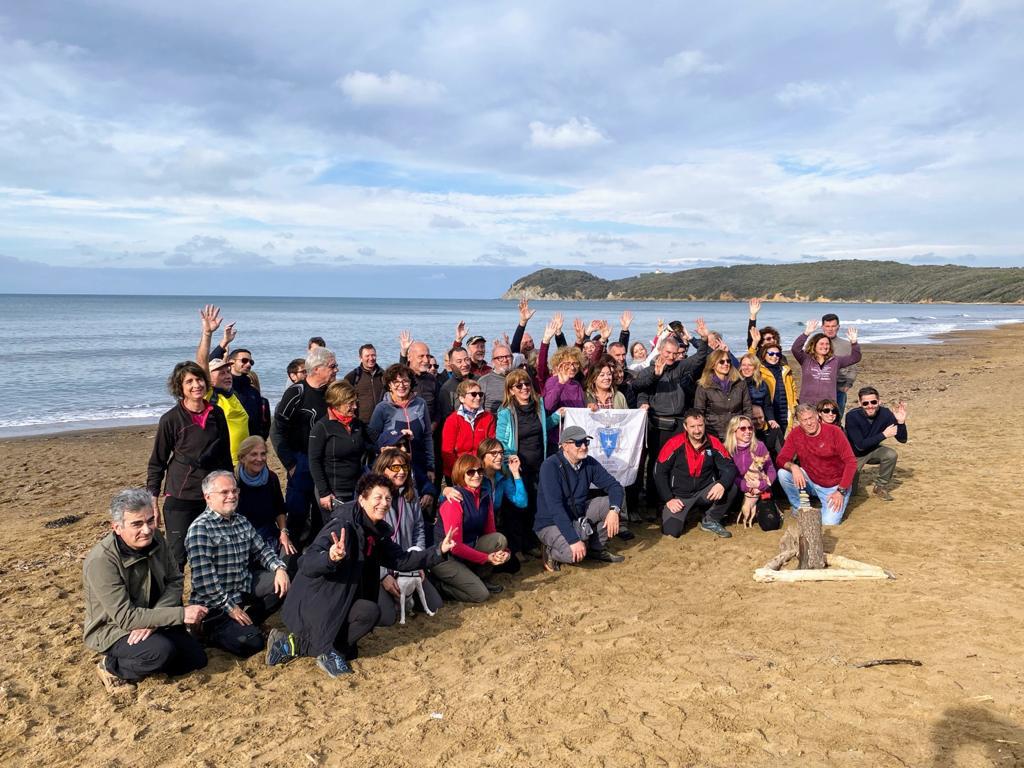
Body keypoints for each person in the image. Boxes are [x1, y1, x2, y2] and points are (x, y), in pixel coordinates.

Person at [267, 474, 457, 677]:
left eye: (388, 499)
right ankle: (296, 646)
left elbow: (401, 560)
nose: (384, 503)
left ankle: (318, 648)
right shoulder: (342, 524)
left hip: (344, 598)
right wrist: (330, 557)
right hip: (319, 600)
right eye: (378, 498)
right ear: (362, 499)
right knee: (344, 645)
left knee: (369, 613)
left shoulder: (374, 531)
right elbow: (308, 561)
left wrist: (438, 550)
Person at [84, 488, 208, 692]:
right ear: (116, 527)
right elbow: (125, 618)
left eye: (150, 521)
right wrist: (180, 614)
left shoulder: (157, 538)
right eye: (137, 524)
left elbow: (175, 580)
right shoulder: (102, 561)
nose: (147, 529)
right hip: (114, 629)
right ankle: (112, 667)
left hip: (152, 617)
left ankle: (151, 654)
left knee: (196, 659)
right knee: (160, 652)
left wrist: (155, 619)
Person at [185, 471, 290, 658]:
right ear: (208, 497)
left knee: (283, 582)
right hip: (215, 604)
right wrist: (230, 608)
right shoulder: (200, 529)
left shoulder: (241, 521)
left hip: (242, 588)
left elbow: (262, 550)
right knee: (252, 643)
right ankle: (208, 632)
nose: (232, 496)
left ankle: (251, 622)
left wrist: (279, 568)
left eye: (234, 491)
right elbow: (205, 583)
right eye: (224, 492)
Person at [147, 360, 233, 572]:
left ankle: (208, 602)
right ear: (180, 388)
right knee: (178, 557)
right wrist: (153, 502)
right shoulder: (170, 419)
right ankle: (174, 604)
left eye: (199, 379)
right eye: (189, 381)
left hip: (211, 497)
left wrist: (231, 489)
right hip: (180, 496)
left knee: (212, 554)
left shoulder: (217, 413)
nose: (196, 385)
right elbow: (157, 461)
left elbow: (225, 457)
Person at [632, 319, 711, 510]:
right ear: (660, 350)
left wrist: (701, 338)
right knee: (657, 465)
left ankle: (671, 500)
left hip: (678, 423)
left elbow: (701, 356)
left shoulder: (679, 368)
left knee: (677, 463)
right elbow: (638, 386)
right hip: (658, 425)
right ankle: (652, 503)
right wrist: (656, 375)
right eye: (667, 352)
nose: (671, 356)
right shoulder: (650, 370)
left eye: (674, 354)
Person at [534, 426, 625, 571]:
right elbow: (555, 509)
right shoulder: (549, 466)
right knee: (574, 555)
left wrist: (614, 510)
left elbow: (615, 486)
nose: (583, 447)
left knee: (612, 503)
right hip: (550, 523)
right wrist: (573, 540)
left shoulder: (589, 462)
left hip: (577, 514)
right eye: (578, 443)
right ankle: (549, 551)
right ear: (564, 446)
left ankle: (597, 548)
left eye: (585, 442)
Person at [272, 345, 337, 546]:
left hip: (325, 461)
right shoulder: (297, 392)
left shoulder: (330, 393)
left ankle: (317, 551)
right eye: (332, 366)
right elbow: (278, 429)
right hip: (301, 460)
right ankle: (292, 557)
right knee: (298, 511)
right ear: (317, 368)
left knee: (323, 510)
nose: (336, 370)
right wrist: (290, 463)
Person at [371, 450, 444, 626]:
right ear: (383, 469)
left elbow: (419, 529)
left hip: (406, 564)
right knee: (386, 618)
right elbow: (370, 544)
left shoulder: (411, 495)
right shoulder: (373, 500)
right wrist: (382, 576)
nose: (401, 471)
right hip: (380, 569)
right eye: (395, 467)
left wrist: (417, 561)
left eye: (404, 466)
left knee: (435, 605)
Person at [495, 369, 559, 556]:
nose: (524, 388)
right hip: (517, 468)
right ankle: (516, 547)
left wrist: (557, 416)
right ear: (511, 390)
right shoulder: (506, 412)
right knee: (515, 508)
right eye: (518, 385)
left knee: (534, 506)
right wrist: (510, 458)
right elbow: (500, 440)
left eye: (527, 384)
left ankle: (530, 544)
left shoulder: (538, 404)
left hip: (539, 465)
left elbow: (543, 427)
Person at [432, 454, 512, 600]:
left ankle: (480, 578)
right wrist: (487, 557)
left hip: (468, 547)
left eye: (480, 471)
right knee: (480, 594)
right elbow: (454, 546)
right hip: (445, 557)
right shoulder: (454, 499)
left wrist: (504, 552)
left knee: (498, 540)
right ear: (461, 473)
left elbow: (491, 531)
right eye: (470, 472)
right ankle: (440, 586)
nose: (476, 475)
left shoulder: (484, 496)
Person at [653, 410, 738, 539]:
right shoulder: (674, 443)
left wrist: (722, 484)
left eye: (700, 425)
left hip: (705, 492)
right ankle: (687, 513)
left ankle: (710, 519)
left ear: (704, 425)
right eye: (692, 426)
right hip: (680, 497)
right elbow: (659, 472)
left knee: (731, 486)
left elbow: (729, 467)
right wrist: (669, 499)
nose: (697, 430)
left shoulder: (713, 442)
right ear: (685, 427)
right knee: (671, 531)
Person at [775, 404, 858, 525]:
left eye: (811, 418)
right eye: (804, 420)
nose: (809, 423)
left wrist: (841, 491)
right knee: (783, 474)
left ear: (818, 416)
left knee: (828, 522)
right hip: (811, 479)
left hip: (834, 485)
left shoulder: (834, 432)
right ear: (798, 421)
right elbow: (781, 459)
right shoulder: (795, 434)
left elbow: (851, 462)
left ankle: (830, 503)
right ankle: (799, 507)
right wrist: (793, 466)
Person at [368, 364, 435, 495]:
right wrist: (381, 450)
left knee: (424, 503)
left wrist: (430, 466)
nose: (401, 385)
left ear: (411, 383)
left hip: (419, 466)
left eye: (405, 381)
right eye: (396, 382)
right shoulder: (382, 408)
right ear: (389, 385)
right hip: (395, 469)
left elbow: (427, 436)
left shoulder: (420, 404)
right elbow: (372, 438)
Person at [308, 381, 369, 514]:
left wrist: (397, 438)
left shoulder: (357, 424)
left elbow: (376, 441)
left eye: (355, 402)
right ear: (337, 403)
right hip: (333, 492)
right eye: (350, 403)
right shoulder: (322, 427)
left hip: (356, 489)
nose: (355, 406)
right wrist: (324, 493)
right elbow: (314, 461)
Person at [844, 387, 908, 501]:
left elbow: (902, 439)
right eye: (865, 403)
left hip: (873, 450)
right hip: (853, 455)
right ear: (860, 403)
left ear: (879, 401)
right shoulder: (852, 416)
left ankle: (880, 486)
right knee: (851, 494)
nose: (870, 406)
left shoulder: (886, 413)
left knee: (890, 454)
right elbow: (860, 445)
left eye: (873, 402)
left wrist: (901, 422)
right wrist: (883, 435)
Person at [236, 435, 296, 557]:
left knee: (289, 555)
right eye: (253, 454)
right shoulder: (233, 481)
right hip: (241, 537)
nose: (259, 459)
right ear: (242, 458)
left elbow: (279, 508)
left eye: (263, 454)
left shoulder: (271, 478)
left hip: (268, 533)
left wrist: (283, 532)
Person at [791, 320, 862, 407]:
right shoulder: (805, 359)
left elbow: (855, 357)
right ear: (814, 345)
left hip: (828, 406)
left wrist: (854, 343)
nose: (824, 346)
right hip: (807, 404)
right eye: (821, 344)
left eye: (827, 344)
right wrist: (806, 334)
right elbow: (795, 349)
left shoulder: (836, 361)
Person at [723, 415, 777, 527]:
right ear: (734, 430)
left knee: (770, 524)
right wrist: (746, 487)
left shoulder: (759, 446)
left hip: (761, 490)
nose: (748, 431)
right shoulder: (726, 449)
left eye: (750, 428)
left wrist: (761, 485)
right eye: (743, 428)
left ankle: (761, 510)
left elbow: (771, 470)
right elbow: (726, 474)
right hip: (738, 491)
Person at [441, 379, 496, 479]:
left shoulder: (488, 418)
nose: (478, 397)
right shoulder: (452, 420)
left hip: (482, 471)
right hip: (459, 471)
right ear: (462, 398)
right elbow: (447, 452)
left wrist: (484, 469)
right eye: (474, 394)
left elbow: (490, 446)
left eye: (480, 394)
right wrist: (459, 473)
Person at [694, 350, 752, 441]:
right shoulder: (704, 386)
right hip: (714, 434)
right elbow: (699, 412)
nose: (726, 364)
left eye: (728, 361)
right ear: (713, 365)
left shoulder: (740, 382)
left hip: (737, 433)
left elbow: (747, 408)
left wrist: (745, 428)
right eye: (721, 361)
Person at [821, 313, 859, 418]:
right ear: (822, 327)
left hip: (839, 389)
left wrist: (848, 384)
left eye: (833, 326)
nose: (830, 329)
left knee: (836, 418)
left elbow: (853, 366)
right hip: (819, 388)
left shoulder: (846, 345)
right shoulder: (816, 344)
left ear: (838, 327)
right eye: (827, 326)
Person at [757, 342, 797, 435]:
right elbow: (747, 363)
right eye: (771, 354)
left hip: (785, 413)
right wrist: (754, 343)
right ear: (764, 355)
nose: (774, 356)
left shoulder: (786, 370)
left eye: (778, 354)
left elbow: (793, 389)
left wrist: (794, 406)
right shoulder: (759, 371)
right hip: (768, 414)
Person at [343, 344, 386, 423]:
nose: (371, 358)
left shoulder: (384, 375)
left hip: (381, 421)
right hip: (360, 422)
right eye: (367, 356)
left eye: (373, 355)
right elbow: (343, 400)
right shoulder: (353, 376)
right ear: (360, 358)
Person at [439, 346, 476, 422]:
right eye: (459, 362)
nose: (465, 364)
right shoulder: (447, 389)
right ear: (451, 365)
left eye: (467, 360)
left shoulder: (479, 380)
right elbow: (447, 419)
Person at [478, 344, 514, 413]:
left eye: (508, 356)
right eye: (500, 357)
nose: (505, 360)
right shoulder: (484, 382)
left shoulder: (519, 378)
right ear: (493, 362)